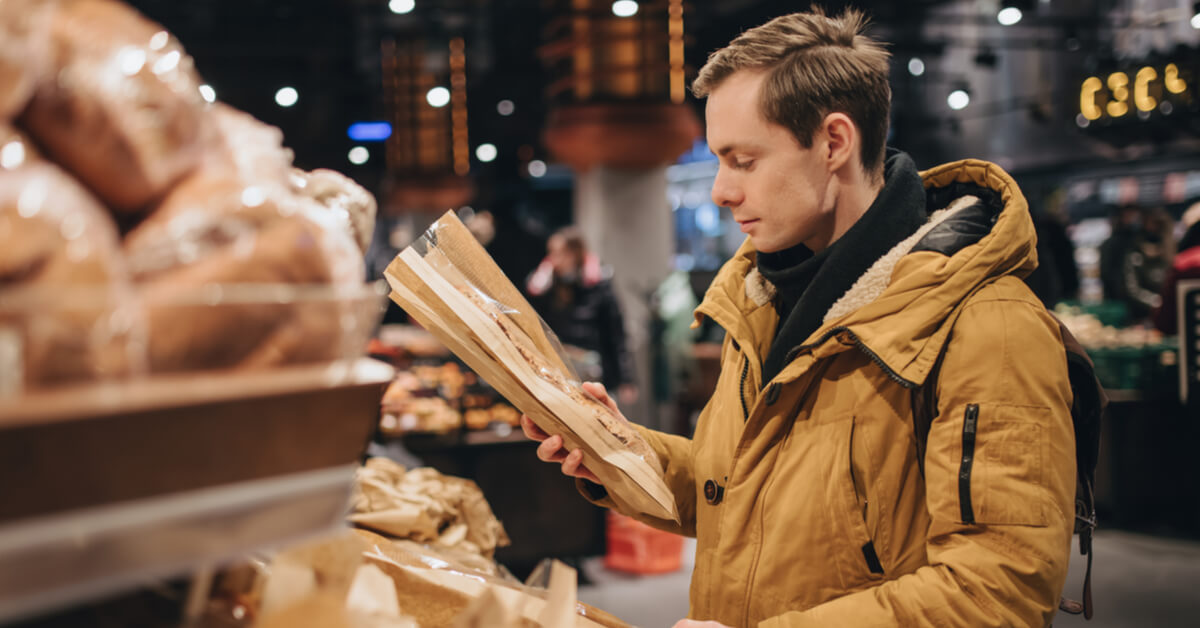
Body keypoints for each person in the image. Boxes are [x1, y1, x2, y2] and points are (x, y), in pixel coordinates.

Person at [523, 8, 1076, 627]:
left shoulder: (990, 327)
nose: (720, 191)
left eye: (744, 160)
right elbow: (736, 496)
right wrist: (615, 450)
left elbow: (996, 591)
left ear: (834, 142)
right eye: (719, 160)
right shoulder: (764, 303)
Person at [526, 226, 638, 406]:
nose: (553, 260)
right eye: (551, 253)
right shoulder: (550, 284)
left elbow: (616, 334)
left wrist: (626, 379)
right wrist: (539, 285)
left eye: (559, 253)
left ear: (574, 254)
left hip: (596, 373)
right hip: (562, 371)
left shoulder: (599, 284)